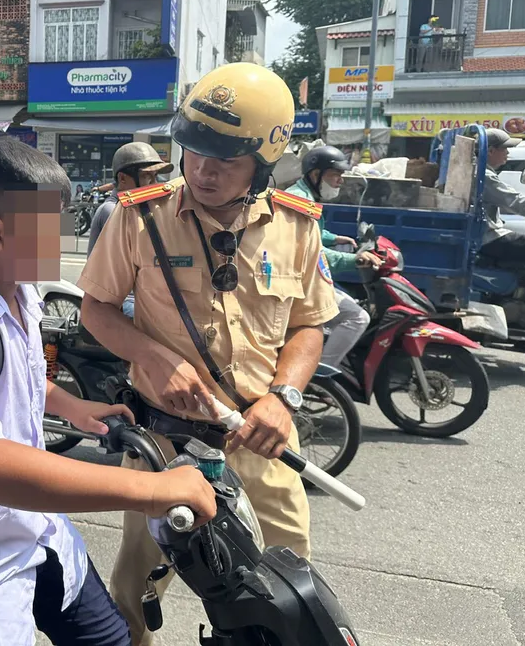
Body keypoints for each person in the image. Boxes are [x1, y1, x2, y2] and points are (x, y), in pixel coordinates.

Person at [0, 137, 217, 646]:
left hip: (38, 532)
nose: (61, 243)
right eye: (48, 229)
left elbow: (18, 373)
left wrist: (74, 407)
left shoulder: (22, 292)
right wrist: (152, 491)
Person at [78, 63, 339, 646]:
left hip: (262, 441)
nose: (202, 169)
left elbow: (309, 325)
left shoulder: (298, 227)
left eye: (225, 158)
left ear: (265, 162)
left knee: (288, 597)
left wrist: (285, 396)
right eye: (193, 150)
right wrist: (152, 357)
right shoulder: (139, 215)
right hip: (164, 445)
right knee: (134, 597)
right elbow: (94, 309)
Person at [286, 145, 380, 368]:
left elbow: (312, 232)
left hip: (302, 278)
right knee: (357, 317)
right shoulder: (300, 201)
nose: (340, 181)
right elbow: (310, 252)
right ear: (316, 174)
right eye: (335, 175)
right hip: (297, 283)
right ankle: (319, 373)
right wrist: (354, 260)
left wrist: (335, 238)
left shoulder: (305, 196)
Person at [88, 142, 174, 319]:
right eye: (147, 177)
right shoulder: (113, 211)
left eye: (155, 176)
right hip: (120, 300)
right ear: (122, 179)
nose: (154, 183)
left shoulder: (136, 209)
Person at [479, 127, 525, 263]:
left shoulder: (480, 171)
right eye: (504, 148)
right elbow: (515, 202)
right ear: (490, 151)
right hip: (488, 239)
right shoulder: (484, 176)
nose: (507, 152)